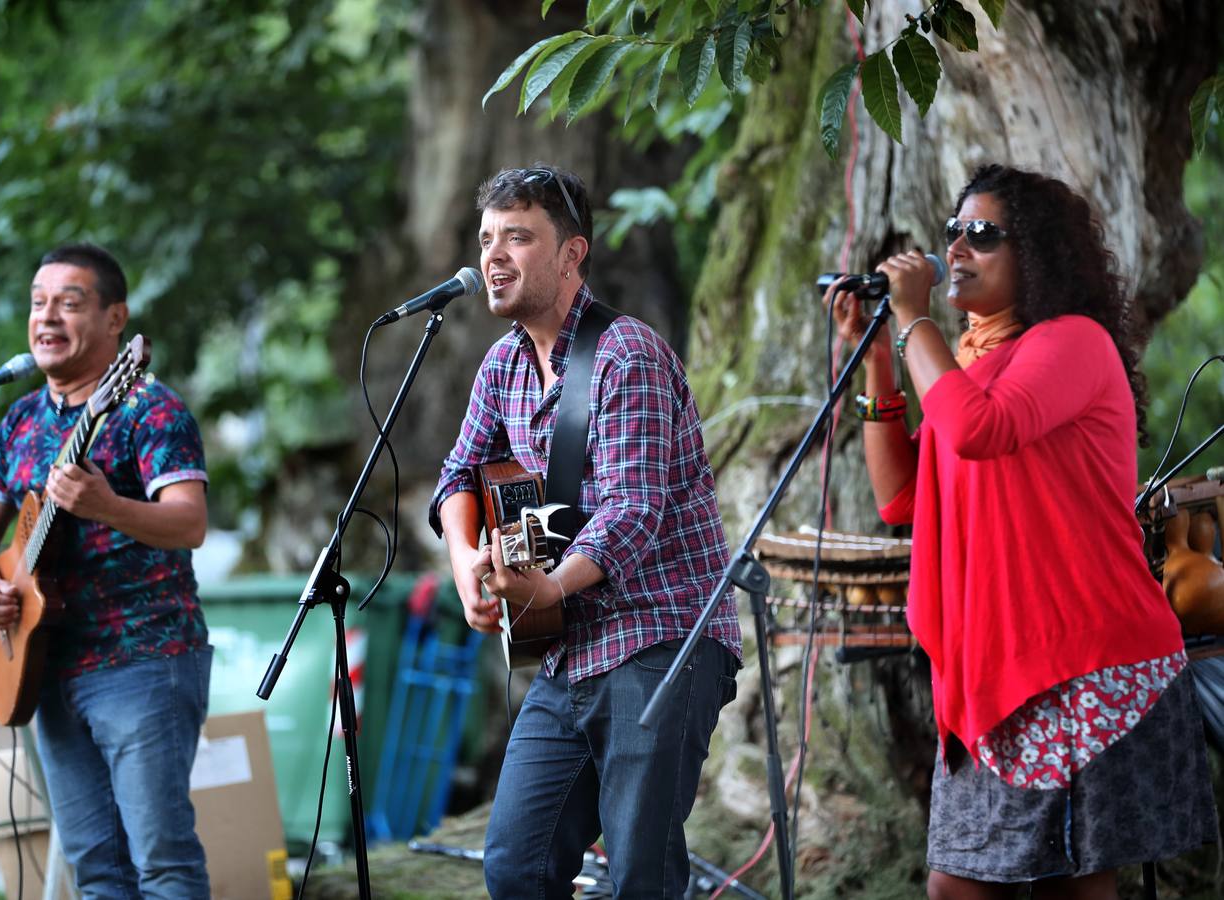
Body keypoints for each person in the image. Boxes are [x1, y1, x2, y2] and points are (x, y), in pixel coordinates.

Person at [826, 164, 1216, 899]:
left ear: (1036, 252)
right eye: (953, 233)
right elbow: (903, 497)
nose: (958, 249)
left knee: (1064, 891)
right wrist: (879, 361)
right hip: (994, 669)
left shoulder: (1072, 343)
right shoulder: (963, 362)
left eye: (982, 234)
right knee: (960, 887)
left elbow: (980, 429)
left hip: (1082, 663)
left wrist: (914, 323)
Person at [430, 165, 742, 898]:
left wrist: (547, 584)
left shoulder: (626, 354)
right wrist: (467, 560)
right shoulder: (503, 364)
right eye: (486, 239)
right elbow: (455, 478)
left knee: (640, 876)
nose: (494, 256)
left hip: (662, 639)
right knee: (516, 866)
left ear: (572, 255)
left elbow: (633, 512)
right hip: (570, 646)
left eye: (518, 237)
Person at [0, 243, 213, 899]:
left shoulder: (149, 409)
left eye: (69, 303)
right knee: (96, 870)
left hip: (143, 659)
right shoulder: (16, 421)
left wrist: (107, 505)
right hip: (49, 666)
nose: (47, 317)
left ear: (115, 318)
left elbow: (190, 523)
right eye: (38, 303)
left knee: (163, 864)